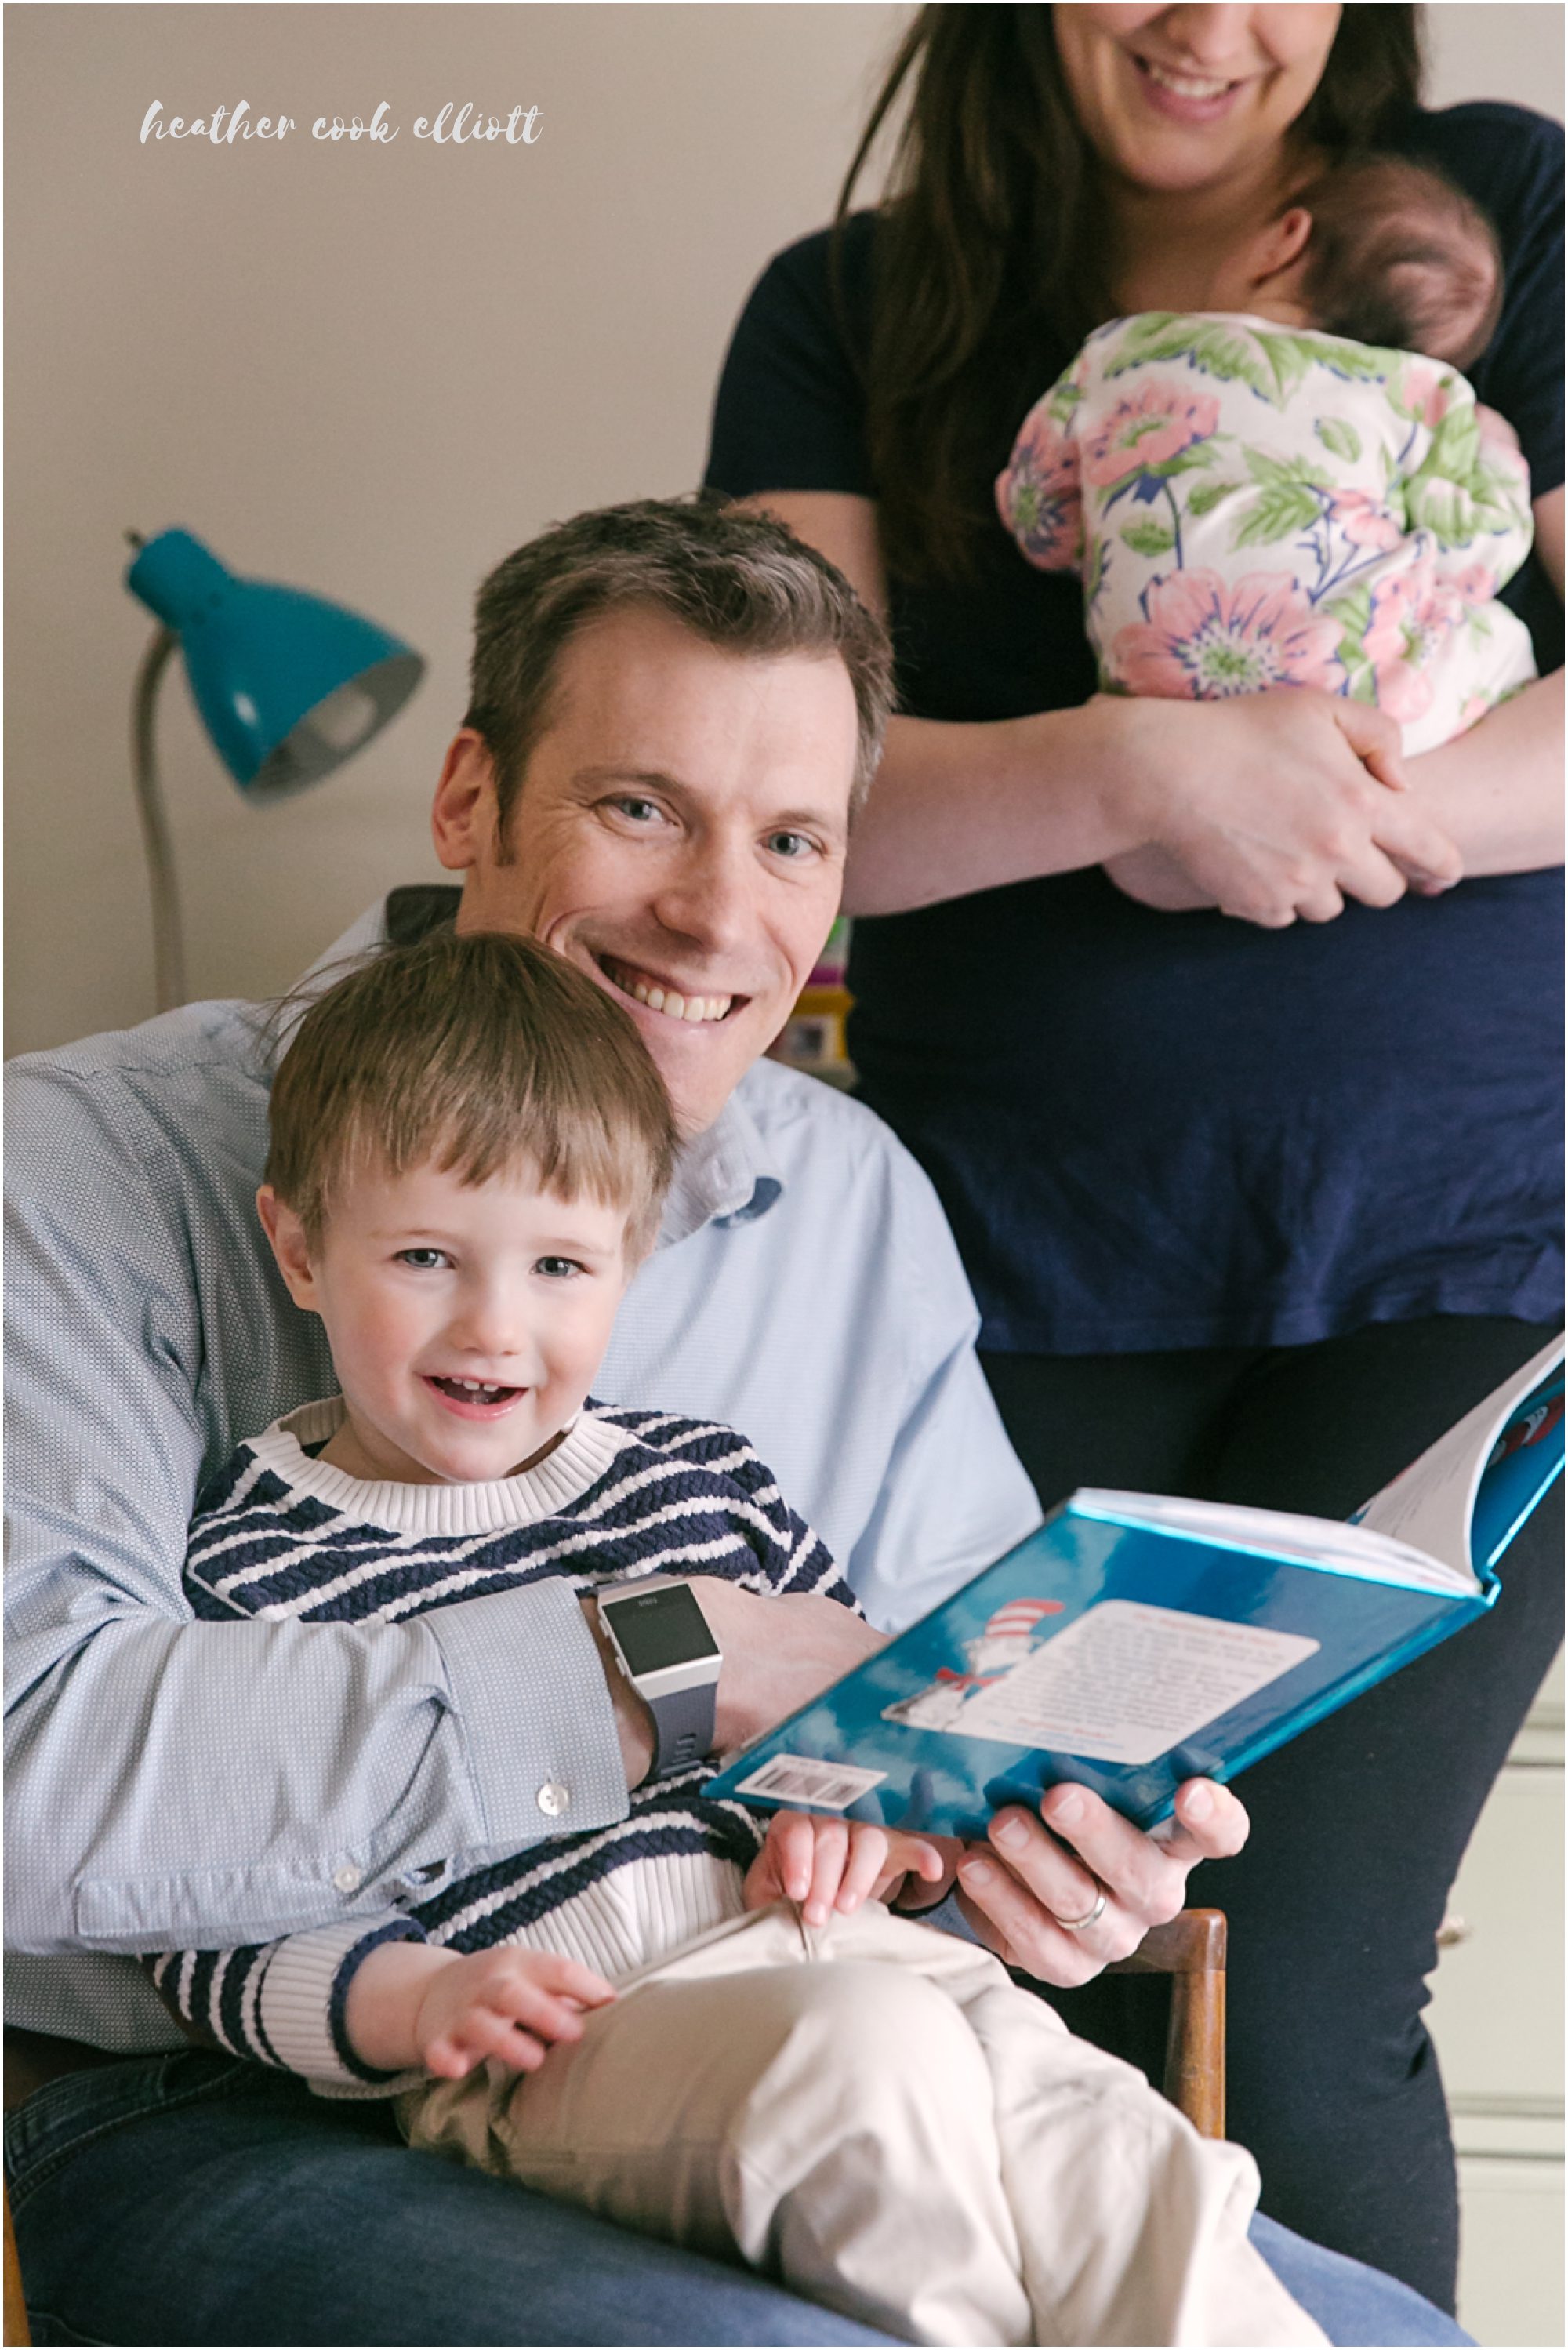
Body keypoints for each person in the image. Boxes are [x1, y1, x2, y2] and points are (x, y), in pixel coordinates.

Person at [11, 496, 1459, 2348]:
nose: (716, 913)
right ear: (467, 800)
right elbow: (29, 1768)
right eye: (640, 809)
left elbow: (934, 1700)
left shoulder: (846, 1203)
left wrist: (1048, 1849)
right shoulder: (78, 1165)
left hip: (818, 2033)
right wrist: (653, 1667)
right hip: (227, 2104)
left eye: (788, 840)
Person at [702, 2, 1563, 2308]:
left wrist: (1320, 813)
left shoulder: (1491, 215)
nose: (1204, 17)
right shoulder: (850, 312)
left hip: (1481, 1261)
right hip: (1011, 1284)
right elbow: (776, 790)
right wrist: (1134, 779)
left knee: (1271, 1983)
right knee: (1022, 1971)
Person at [148, 924, 1323, 2349]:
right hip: (577, 2046)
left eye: (561, 1267)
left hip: (854, 1958)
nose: (494, 1326)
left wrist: (868, 1841)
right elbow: (207, 1910)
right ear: (300, 1248)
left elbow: (871, 1740)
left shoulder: (704, 1479)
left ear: (631, 1259)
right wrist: (410, 2002)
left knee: (1127, 2156)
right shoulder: (254, 1552)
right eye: (423, 1254)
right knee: (870, 2071)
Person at [996, 153, 1537, 757]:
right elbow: (1477, 555)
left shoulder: (1118, 350)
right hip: (1355, 702)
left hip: (1159, 704)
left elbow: (1035, 512)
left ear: (1285, 239)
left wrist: (1097, 544)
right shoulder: (1421, 396)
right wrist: (1497, 449)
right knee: (1504, 642)